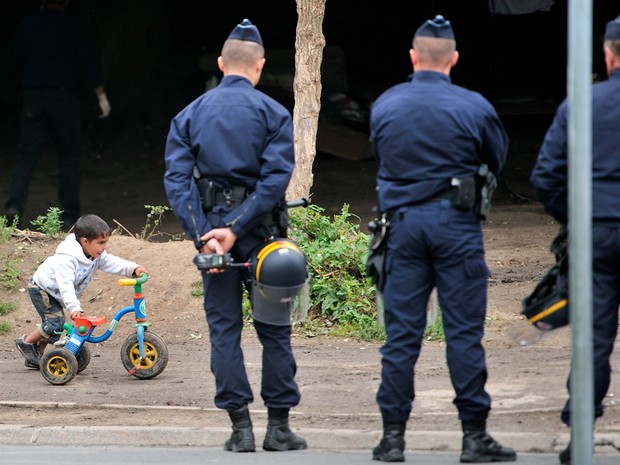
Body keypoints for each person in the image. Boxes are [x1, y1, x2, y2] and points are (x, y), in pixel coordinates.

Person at [368, 15, 517, 463]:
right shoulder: (473, 105)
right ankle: (474, 437)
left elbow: (381, 152)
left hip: (403, 228)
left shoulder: (386, 104)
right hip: (457, 227)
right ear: (453, 58)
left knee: (401, 338)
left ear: (413, 57)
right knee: (464, 335)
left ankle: (392, 438)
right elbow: (497, 157)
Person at [163, 19, 307, 453]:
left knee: (224, 330)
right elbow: (274, 181)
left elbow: (177, 181)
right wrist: (237, 228)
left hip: (214, 241)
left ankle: (240, 430)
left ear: (223, 64)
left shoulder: (189, 114)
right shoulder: (274, 114)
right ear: (259, 67)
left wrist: (207, 234)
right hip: (263, 237)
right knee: (274, 331)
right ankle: (278, 429)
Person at [530, 14, 620, 465]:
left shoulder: (582, 104)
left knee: (595, 336)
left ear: (608, 55)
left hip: (597, 233)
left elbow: (545, 177)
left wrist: (578, 217)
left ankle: (580, 430)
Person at [3, 0, 111, 230]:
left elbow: (15, 60)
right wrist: (100, 95)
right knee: (69, 156)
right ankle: (69, 216)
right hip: (65, 97)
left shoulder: (29, 24)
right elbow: (88, 63)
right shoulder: (74, 27)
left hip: (34, 95)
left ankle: (14, 207)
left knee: (25, 156)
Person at [14, 214, 146, 369]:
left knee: (55, 327)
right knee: (55, 323)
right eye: (101, 243)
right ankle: (26, 343)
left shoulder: (95, 255)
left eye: (106, 242)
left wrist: (133, 268)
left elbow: (113, 263)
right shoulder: (68, 259)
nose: (104, 247)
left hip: (55, 292)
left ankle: (36, 355)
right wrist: (74, 307)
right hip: (42, 288)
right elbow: (65, 285)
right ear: (84, 241)